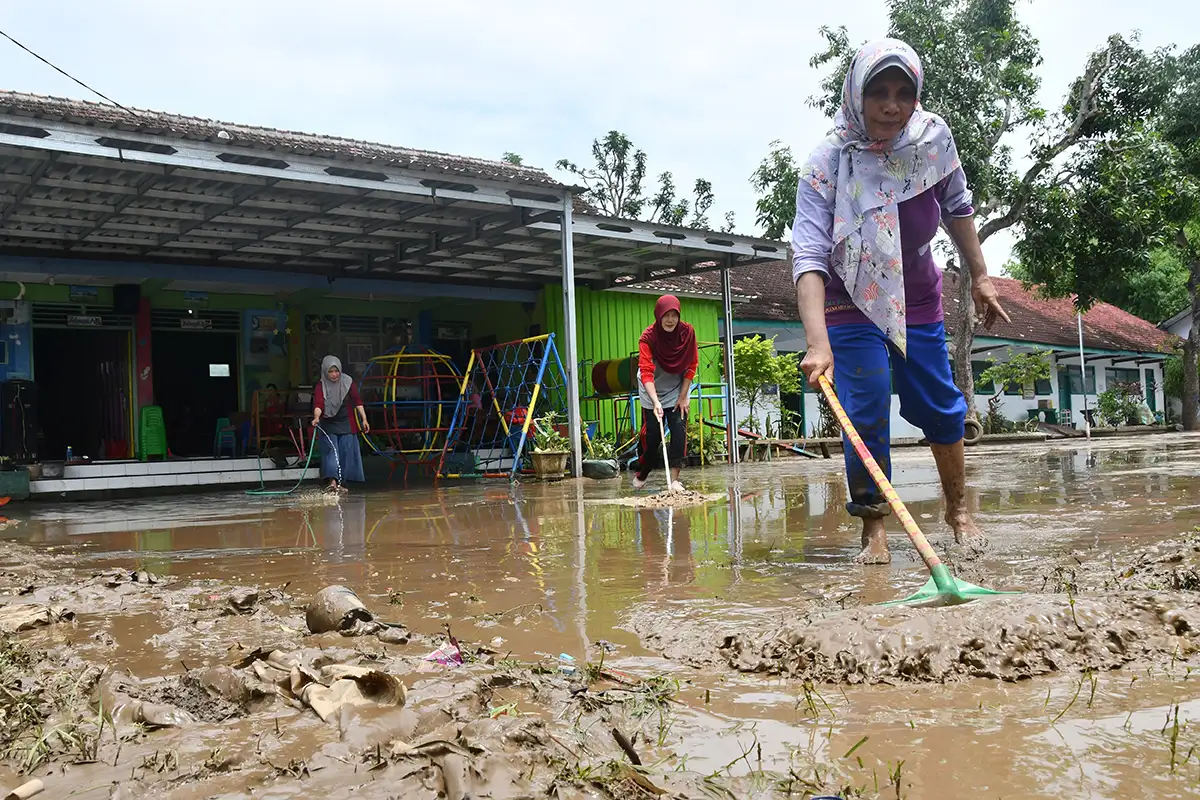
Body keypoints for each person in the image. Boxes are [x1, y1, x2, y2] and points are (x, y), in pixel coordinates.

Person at [791, 38, 1010, 564]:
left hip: (916, 297)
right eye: (879, 92)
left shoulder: (933, 140)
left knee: (939, 404)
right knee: (865, 411)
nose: (891, 105)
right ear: (855, 95)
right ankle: (874, 529)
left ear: (916, 98)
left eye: (903, 93)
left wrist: (981, 278)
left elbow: (958, 209)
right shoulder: (828, 161)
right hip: (849, 301)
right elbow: (809, 255)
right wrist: (818, 343)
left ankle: (958, 511)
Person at [633, 295, 698, 491]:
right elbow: (646, 371)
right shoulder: (648, 337)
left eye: (674, 315)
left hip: (677, 389)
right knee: (652, 438)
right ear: (658, 315)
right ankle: (643, 471)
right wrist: (655, 402)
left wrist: (683, 396)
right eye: (666, 315)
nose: (670, 320)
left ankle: (675, 480)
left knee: (679, 430)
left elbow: (692, 365)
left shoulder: (687, 333)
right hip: (650, 389)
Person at [311, 355, 369, 493]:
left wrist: (364, 419)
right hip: (328, 423)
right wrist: (316, 417)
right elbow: (319, 403)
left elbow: (357, 401)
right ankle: (332, 482)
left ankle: (341, 483)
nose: (334, 374)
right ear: (325, 372)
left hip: (346, 422)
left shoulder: (348, 382)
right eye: (330, 371)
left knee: (345, 452)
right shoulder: (321, 385)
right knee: (332, 452)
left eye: (336, 371)